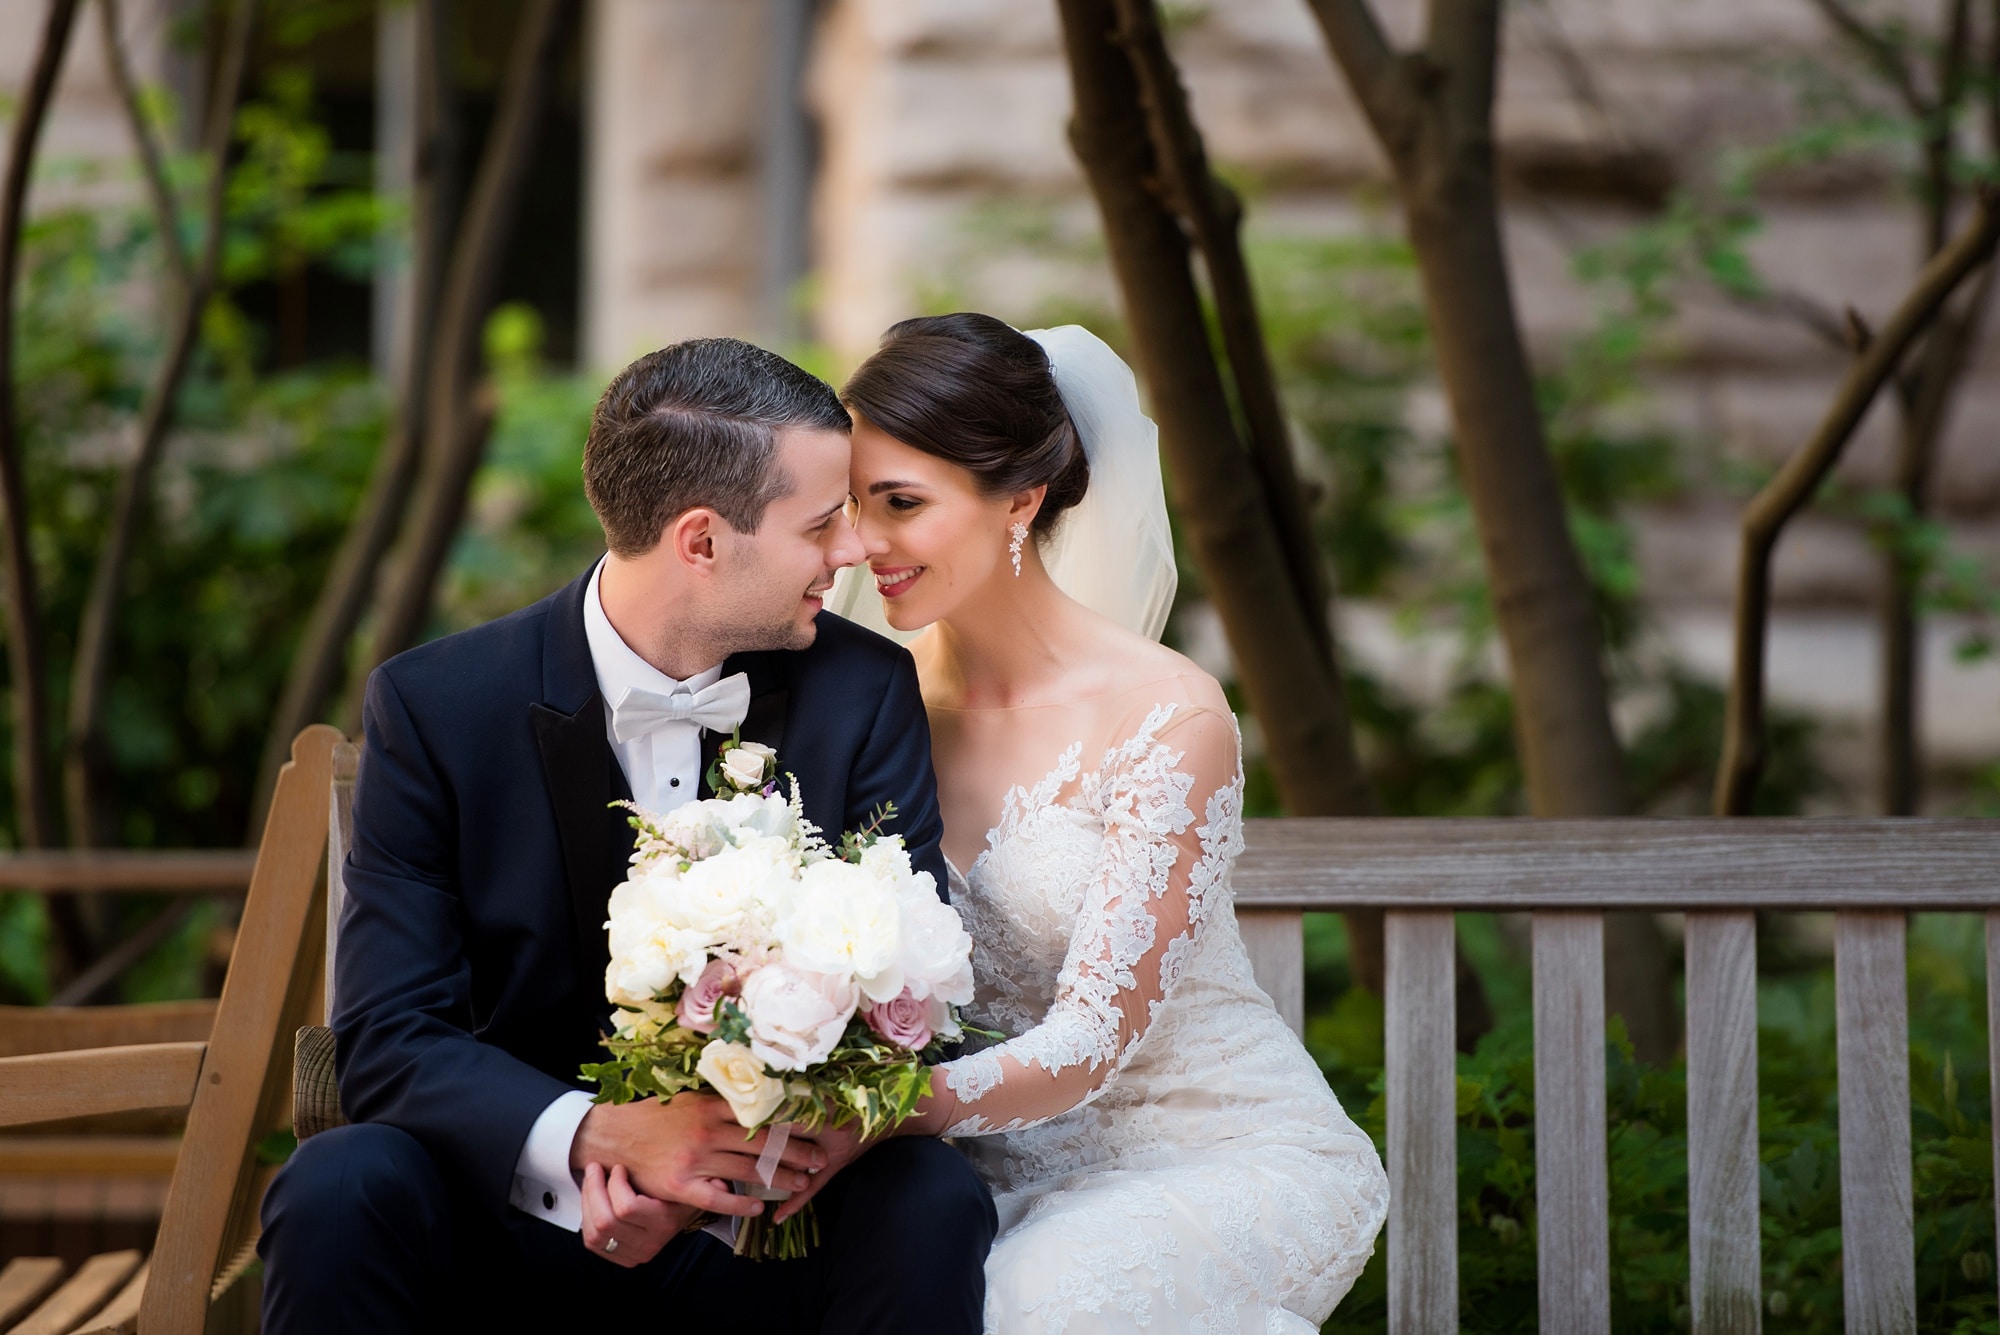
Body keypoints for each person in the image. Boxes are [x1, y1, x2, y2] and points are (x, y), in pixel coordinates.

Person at [256, 338, 997, 1335]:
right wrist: (595, 1142)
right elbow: (389, 1037)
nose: (854, 551)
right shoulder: (438, 706)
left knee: (929, 1196)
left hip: (767, 1226)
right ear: (700, 541)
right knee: (339, 1183)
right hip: (507, 1232)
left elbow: (915, 993)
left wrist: (735, 1162)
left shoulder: (863, 692)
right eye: (822, 524)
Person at [836, 313, 1389, 1331]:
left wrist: (859, 1118)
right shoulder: (868, 705)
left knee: (1021, 1313)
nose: (863, 544)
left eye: (901, 504)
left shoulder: (1163, 715)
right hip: (975, 1181)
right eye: (851, 505)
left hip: (1219, 1156)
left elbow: (1092, 1040)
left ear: (1022, 499)